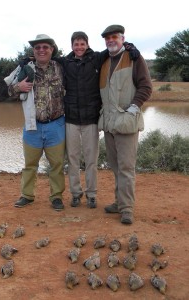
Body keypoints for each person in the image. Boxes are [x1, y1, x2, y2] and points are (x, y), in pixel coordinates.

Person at [53, 31, 140, 209]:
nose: (79, 47)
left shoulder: (97, 58)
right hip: (71, 119)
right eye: (76, 44)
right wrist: (27, 58)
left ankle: (92, 194)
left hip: (91, 119)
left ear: (87, 44)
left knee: (92, 159)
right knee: (73, 159)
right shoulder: (65, 62)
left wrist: (131, 46)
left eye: (82, 44)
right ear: (71, 46)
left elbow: (116, 48)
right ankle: (76, 194)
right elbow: (47, 56)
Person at [98, 25, 152, 224]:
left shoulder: (134, 57)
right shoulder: (103, 61)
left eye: (114, 37)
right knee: (115, 166)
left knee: (127, 168)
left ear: (122, 38)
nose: (111, 40)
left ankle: (127, 209)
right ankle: (119, 202)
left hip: (127, 123)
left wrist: (134, 107)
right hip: (109, 124)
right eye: (107, 38)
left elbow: (146, 86)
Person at [7, 34, 66, 211]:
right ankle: (27, 195)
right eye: (37, 47)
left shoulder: (61, 67)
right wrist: (19, 87)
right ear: (33, 50)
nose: (41, 50)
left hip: (56, 125)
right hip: (32, 125)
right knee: (30, 165)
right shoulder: (25, 68)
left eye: (45, 47)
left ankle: (56, 197)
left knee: (57, 165)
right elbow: (9, 90)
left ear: (52, 49)